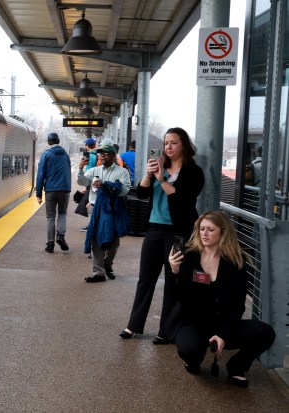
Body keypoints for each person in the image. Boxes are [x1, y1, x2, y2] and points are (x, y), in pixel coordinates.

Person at [166, 211, 275, 387]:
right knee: (189, 349)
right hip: (193, 322)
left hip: (223, 324)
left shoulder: (235, 262)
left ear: (223, 232)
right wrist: (175, 272)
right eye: (201, 229)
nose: (204, 233)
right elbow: (178, 297)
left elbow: (238, 305)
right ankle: (194, 360)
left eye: (210, 229)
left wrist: (223, 334)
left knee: (265, 333)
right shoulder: (189, 257)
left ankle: (236, 367)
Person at [120, 127, 205, 343]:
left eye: (173, 143)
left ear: (184, 145)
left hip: (178, 232)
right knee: (145, 278)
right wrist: (149, 175)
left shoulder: (193, 172)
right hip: (154, 229)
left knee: (173, 280)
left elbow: (183, 201)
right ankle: (134, 325)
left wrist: (162, 180)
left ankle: (165, 330)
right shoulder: (160, 167)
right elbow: (141, 193)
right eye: (166, 143)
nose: (168, 147)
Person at [79, 144, 131, 282]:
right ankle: (98, 272)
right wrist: (80, 169)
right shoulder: (94, 170)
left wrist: (106, 185)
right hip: (96, 208)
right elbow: (82, 181)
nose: (102, 155)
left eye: (106, 153)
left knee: (113, 241)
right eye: (100, 153)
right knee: (96, 239)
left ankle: (107, 264)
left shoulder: (122, 172)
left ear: (114, 156)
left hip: (113, 209)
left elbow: (125, 190)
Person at [36, 132, 71, 253]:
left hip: (51, 190)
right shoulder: (66, 155)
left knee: (50, 216)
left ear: (48, 142)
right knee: (62, 213)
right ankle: (60, 236)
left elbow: (41, 174)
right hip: (65, 189)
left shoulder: (46, 154)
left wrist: (38, 193)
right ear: (59, 141)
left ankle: (50, 244)